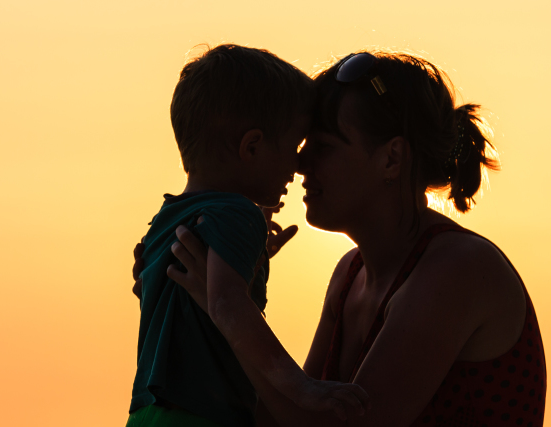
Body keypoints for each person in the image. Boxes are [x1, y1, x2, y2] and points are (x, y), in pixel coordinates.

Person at [162, 50, 546, 426]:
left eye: (324, 146)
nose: (300, 164)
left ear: (392, 159)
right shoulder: (351, 274)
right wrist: (215, 294)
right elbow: (279, 417)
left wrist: (226, 307)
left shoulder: (458, 268)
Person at [126, 44, 370, 427]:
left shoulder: (169, 218)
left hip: (148, 413)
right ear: (252, 147)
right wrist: (304, 388)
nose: (300, 163)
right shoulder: (238, 214)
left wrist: (246, 257)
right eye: (294, 146)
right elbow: (226, 305)